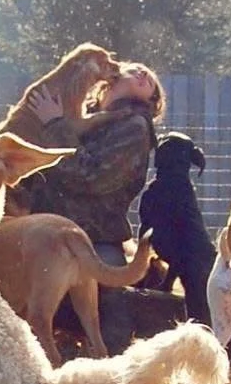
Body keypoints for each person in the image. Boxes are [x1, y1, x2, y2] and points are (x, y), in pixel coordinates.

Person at [12, 61, 164, 262]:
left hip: (91, 241)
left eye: (151, 82)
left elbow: (92, 178)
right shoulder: (83, 113)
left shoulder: (134, 126)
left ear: (151, 100)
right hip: (43, 228)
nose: (144, 72)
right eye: (135, 68)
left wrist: (54, 125)